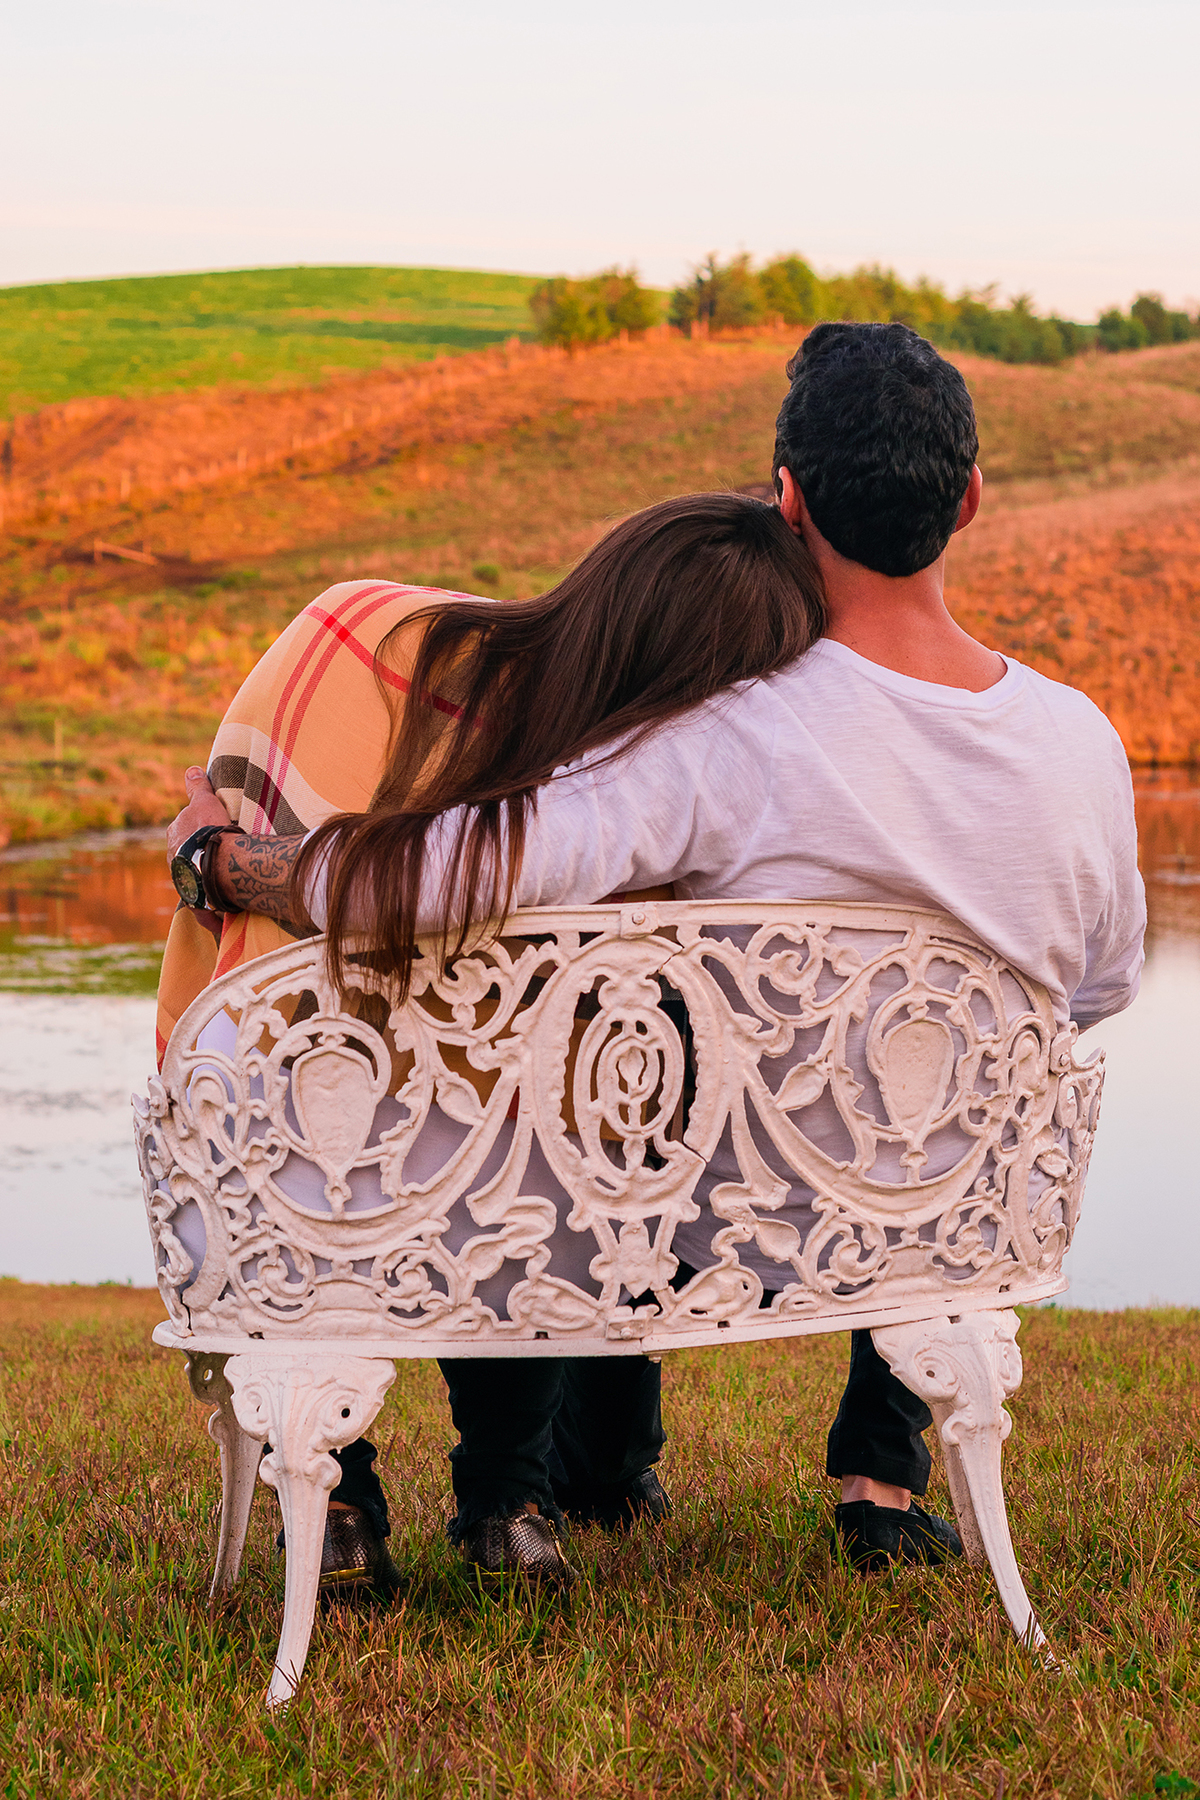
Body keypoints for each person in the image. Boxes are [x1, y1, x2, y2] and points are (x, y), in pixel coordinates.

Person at [169, 322, 1145, 1582]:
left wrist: (224, 865)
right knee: (905, 1091)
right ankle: (871, 1478)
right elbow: (1104, 984)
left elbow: (446, 881)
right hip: (964, 1217)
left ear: (788, 500)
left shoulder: (725, 735)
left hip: (734, 1224)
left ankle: (454, 1479)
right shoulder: (1082, 741)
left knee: (569, 1052)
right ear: (968, 500)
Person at [163, 492, 827, 1590]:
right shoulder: (661, 785)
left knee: (335, 1079)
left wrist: (216, 865)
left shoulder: (362, 632)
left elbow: (269, 906)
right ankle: (508, 1503)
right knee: (545, 1115)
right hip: (526, 1205)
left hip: (282, 1168)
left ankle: (338, 1504)